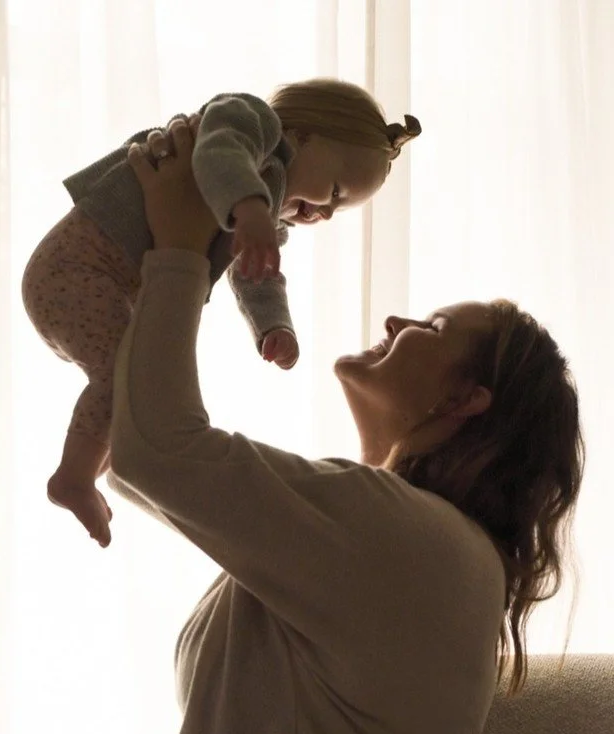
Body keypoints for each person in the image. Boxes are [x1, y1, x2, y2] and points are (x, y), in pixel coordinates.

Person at [0, 120, 583, 734]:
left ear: (465, 399)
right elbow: (159, 454)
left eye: (428, 328)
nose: (395, 323)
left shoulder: (414, 537)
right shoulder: (385, 539)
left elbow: (161, 449)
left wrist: (179, 247)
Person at [21, 78, 420, 548]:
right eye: (334, 191)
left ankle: (96, 462)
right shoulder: (250, 120)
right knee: (119, 377)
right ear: (305, 135)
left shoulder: (264, 214)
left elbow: (259, 274)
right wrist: (248, 208)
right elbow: (218, 152)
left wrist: (274, 325)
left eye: (340, 209)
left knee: (131, 381)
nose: (326, 214)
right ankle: (72, 479)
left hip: (105, 285)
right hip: (76, 268)